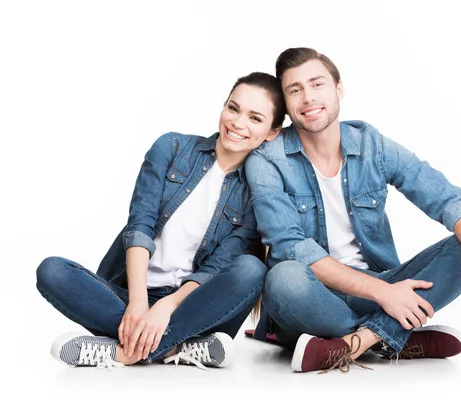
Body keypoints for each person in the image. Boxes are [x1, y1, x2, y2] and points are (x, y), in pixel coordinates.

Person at [245, 47, 461, 373]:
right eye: (294, 90)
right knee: (284, 279)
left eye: (317, 84)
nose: (308, 98)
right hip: (313, 296)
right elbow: (292, 249)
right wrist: (385, 294)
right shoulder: (267, 159)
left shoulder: (372, 146)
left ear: (339, 88)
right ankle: (395, 335)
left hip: (381, 285)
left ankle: (358, 342)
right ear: (287, 103)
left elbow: (455, 202)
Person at [36, 71, 286, 369]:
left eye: (255, 118)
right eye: (233, 108)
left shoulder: (255, 190)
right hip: (130, 297)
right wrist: (140, 302)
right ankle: (179, 347)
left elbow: (218, 266)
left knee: (252, 269)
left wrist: (167, 307)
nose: (238, 123)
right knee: (52, 270)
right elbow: (140, 223)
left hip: (196, 307)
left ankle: (123, 353)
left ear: (272, 131)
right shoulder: (172, 147)